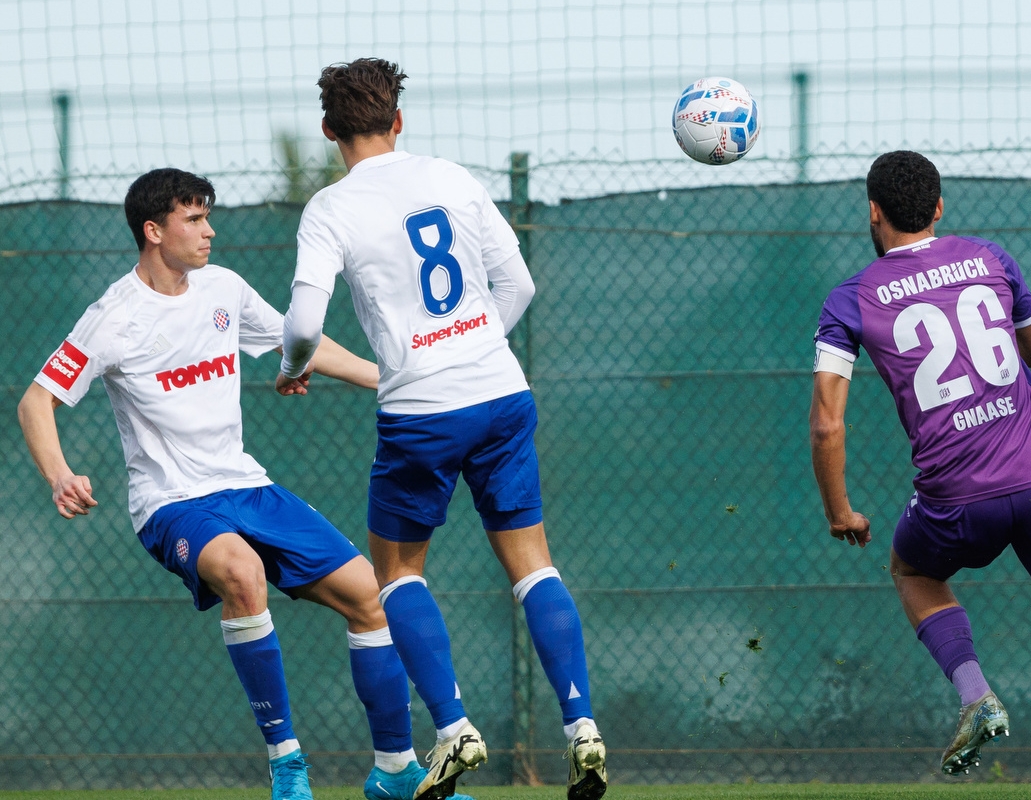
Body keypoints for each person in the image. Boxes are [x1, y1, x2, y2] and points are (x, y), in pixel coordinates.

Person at [15, 168, 454, 800]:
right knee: (243, 572)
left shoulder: (223, 288)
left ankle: (394, 770)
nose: (208, 230)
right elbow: (36, 401)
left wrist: (394, 380)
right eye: (192, 219)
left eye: (207, 216)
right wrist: (59, 474)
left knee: (372, 598)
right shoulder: (113, 316)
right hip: (172, 505)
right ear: (153, 231)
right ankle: (287, 766)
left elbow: (299, 342)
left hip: (246, 486)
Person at [276, 58, 606, 800]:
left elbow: (301, 324)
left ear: (329, 130)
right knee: (533, 567)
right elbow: (517, 284)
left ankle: (455, 731)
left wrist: (297, 365)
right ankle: (582, 727)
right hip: (501, 392)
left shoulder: (331, 208)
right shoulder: (451, 177)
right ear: (398, 120)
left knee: (397, 575)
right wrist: (476, 345)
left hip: (421, 411)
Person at [809, 150, 1031, 799]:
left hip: (956, 493)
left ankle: (976, 696)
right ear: (940, 207)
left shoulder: (851, 298)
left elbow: (827, 424)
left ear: (873, 211)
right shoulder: (990, 258)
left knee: (913, 570)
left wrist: (841, 511)